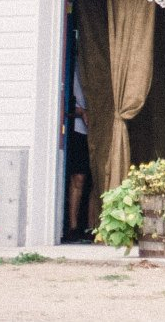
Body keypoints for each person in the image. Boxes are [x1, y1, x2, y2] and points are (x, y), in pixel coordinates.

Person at [65, 68, 91, 239]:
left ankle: (91, 226)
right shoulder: (71, 69)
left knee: (93, 180)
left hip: (96, 132)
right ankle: (73, 227)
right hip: (77, 130)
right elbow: (62, 105)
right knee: (78, 178)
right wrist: (81, 112)